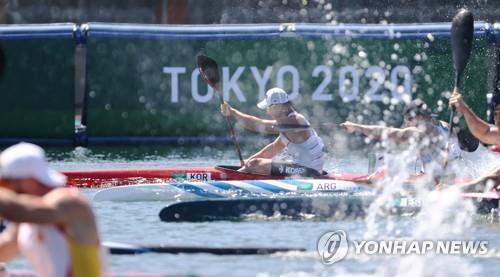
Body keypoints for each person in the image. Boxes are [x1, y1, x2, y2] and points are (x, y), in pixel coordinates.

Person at [0, 142, 104, 277]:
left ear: (28, 180)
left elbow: (18, 209)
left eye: (5, 183)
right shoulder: (26, 219)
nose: (5, 189)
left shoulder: (71, 204)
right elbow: (7, 247)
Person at [220, 87, 325, 176]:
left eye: (268, 109)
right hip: (306, 168)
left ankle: (231, 179)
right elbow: (272, 149)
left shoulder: (295, 121)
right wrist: (246, 164)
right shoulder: (288, 127)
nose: (268, 112)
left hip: (309, 172)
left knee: (254, 164)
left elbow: (258, 125)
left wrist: (233, 112)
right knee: (252, 163)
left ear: (279, 107)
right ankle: (238, 175)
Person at [340, 99, 461, 175]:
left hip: (436, 184)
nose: (407, 123)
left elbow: (385, 132)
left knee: (381, 162)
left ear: (418, 117)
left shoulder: (418, 132)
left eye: (408, 119)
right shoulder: (446, 125)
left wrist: (356, 127)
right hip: (454, 178)